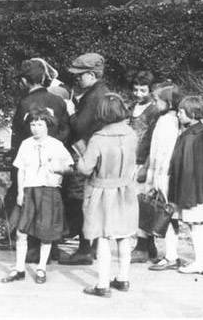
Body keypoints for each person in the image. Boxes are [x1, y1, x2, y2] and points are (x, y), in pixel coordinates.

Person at [4, 59, 69, 263]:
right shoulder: (59, 101)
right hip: (54, 161)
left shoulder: (25, 103)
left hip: (30, 162)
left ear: (24, 81)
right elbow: (66, 129)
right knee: (51, 204)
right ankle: (52, 246)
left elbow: (18, 135)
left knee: (29, 203)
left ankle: (31, 246)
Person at [77, 93, 140, 297]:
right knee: (123, 235)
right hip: (126, 189)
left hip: (102, 191)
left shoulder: (98, 138)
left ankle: (102, 284)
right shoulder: (131, 134)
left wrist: (79, 157)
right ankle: (123, 278)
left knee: (103, 237)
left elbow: (86, 169)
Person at [1, 108, 72, 285]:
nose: (36, 128)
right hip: (29, 191)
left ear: (47, 125)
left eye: (39, 124)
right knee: (21, 231)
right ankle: (19, 268)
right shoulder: (26, 144)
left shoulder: (56, 145)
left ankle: (41, 268)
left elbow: (70, 167)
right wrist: (19, 192)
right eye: (32, 124)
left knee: (45, 232)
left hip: (48, 191)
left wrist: (58, 168)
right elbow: (21, 169)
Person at [65, 53, 112, 267]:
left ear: (92, 75)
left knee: (84, 201)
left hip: (87, 153)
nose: (76, 79)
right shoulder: (100, 92)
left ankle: (84, 249)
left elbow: (80, 127)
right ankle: (89, 246)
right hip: (97, 154)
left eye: (80, 75)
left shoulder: (94, 96)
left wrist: (71, 111)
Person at [167, 96, 203, 275]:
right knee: (196, 223)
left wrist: (187, 191)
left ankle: (201, 261)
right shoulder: (192, 132)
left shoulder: (196, 135)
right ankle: (200, 259)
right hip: (192, 187)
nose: (178, 114)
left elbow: (194, 166)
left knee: (198, 223)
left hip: (194, 188)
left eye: (181, 111)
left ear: (193, 113)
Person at [143, 85, 185, 271]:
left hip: (164, 174)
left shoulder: (168, 122)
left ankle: (171, 256)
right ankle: (170, 253)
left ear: (168, 103)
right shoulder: (169, 119)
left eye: (158, 100)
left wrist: (156, 179)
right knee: (168, 214)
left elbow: (163, 153)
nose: (155, 103)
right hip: (164, 173)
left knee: (167, 213)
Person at [129, 70, 162, 263]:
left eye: (143, 90)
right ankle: (149, 246)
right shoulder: (134, 106)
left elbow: (152, 140)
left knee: (142, 203)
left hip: (143, 161)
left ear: (150, 90)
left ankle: (142, 246)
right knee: (136, 202)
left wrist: (146, 166)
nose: (139, 94)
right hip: (132, 160)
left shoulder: (154, 110)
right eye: (136, 89)